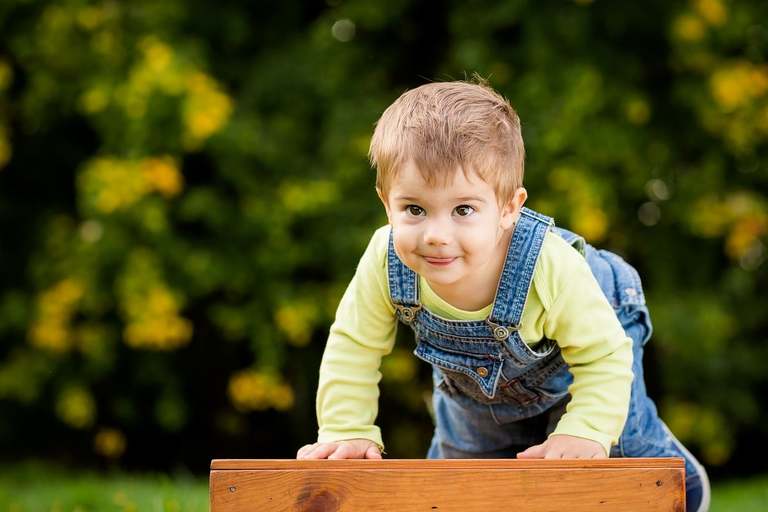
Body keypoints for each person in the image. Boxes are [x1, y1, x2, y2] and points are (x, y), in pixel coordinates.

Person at [296, 80, 710, 511]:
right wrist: (347, 429)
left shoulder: (548, 263)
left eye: (463, 210)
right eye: (414, 209)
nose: (436, 235)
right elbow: (354, 344)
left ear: (509, 208)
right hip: (477, 387)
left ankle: (688, 484)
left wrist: (584, 431)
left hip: (599, 328)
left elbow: (604, 355)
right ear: (387, 203)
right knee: (461, 487)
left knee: (612, 447)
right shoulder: (386, 259)